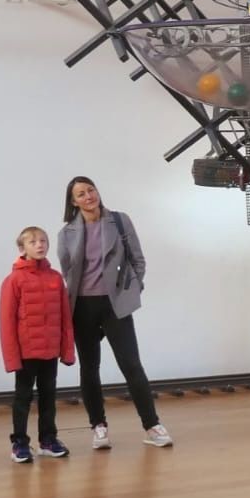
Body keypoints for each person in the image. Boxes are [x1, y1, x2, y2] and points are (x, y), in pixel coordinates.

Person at [57, 176, 172, 451]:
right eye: (81, 194)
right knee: (90, 368)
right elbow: (67, 271)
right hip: (82, 307)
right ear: (73, 202)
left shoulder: (119, 221)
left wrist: (132, 289)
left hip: (115, 305)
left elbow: (137, 260)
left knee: (131, 365)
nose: (88, 196)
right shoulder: (66, 233)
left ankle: (152, 426)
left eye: (91, 190)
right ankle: (98, 426)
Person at [0, 226, 75, 463]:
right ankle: (20, 443)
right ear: (22, 249)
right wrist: (12, 358)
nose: (40, 245)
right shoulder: (14, 280)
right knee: (23, 398)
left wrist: (67, 351)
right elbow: (6, 322)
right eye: (33, 242)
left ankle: (48, 440)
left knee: (48, 397)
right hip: (26, 352)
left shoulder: (55, 278)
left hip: (50, 352)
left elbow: (65, 318)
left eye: (43, 240)